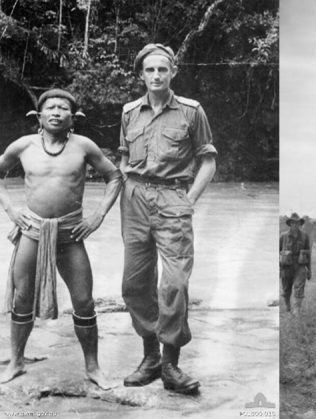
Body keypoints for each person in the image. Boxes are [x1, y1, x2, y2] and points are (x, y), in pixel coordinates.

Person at [0, 89, 122, 389]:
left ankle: (92, 367)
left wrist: (97, 217)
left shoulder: (83, 146)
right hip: (32, 231)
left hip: (70, 233)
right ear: (38, 117)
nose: (56, 112)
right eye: (50, 107)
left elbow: (115, 176)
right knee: (22, 297)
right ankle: (16, 362)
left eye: (63, 108)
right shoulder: (23, 145)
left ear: (74, 117)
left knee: (83, 300)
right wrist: (12, 211)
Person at [118, 44, 217, 394]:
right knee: (133, 284)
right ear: (141, 74)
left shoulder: (192, 112)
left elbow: (208, 161)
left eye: (163, 69)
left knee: (173, 283)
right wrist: (120, 194)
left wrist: (188, 201)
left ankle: (172, 365)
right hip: (134, 200)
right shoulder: (130, 112)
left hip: (174, 198)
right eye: (150, 70)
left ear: (173, 71)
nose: (156, 76)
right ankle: (151, 357)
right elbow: (123, 158)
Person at [279, 213, 312, 314]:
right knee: (286, 289)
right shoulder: (283, 236)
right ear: (290, 224)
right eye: (293, 223)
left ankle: (296, 309)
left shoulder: (305, 236)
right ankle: (288, 307)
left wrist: (309, 269)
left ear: (299, 224)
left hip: (299, 265)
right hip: (286, 266)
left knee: (299, 286)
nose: (295, 225)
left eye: (297, 223)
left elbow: (308, 253)